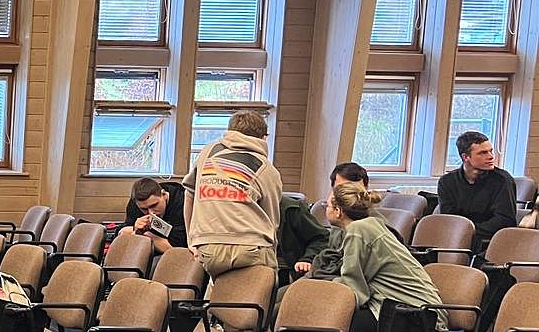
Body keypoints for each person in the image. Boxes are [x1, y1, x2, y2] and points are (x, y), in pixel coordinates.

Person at [326, 180, 447, 332]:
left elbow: (355, 289)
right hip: (406, 309)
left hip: (416, 316)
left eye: (327, 205)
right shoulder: (368, 225)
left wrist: (324, 289)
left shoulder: (358, 230)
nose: (325, 209)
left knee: (330, 325)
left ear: (338, 211)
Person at [183, 110, 283, 277]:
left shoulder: (207, 153)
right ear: (264, 138)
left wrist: (191, 240)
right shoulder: (266, 169)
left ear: (229, 131)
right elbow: (272, 221)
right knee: (268, 282)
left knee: (219, 285)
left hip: (208, 249)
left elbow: (190, 195)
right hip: (250, 249)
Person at [283, 162, 371, 281]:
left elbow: (354, 278)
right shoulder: (338, 225)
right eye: (341, 189)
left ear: (366, 188)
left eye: (353, 189)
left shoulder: (365, 230)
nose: (348, 193)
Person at [437, 131, 518, 256]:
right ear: (466, 157)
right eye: (483, 153)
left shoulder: (502, 180)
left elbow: (505, 220)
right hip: (457, 237)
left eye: (491, 151)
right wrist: (462, 232)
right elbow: (449, 218)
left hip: (490, 241)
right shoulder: (447, 181)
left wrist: (469, 231)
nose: (491, 157)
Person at [117, 176, 188, 251]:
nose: (151, 213)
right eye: (144, 209)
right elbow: (122, 232)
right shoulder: (137, 202)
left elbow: (175, 249)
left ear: (164, 194)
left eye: (154, 205)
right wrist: (135, 228)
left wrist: (146, 234)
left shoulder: (182, 203)